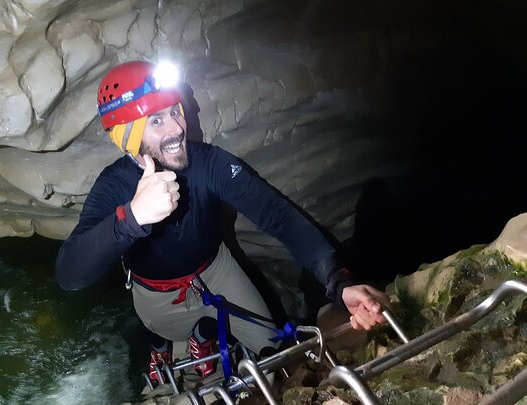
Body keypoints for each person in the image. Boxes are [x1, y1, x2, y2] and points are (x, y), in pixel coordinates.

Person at [56, 60, 387, 384]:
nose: (176, 128)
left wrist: (339, 281)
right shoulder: (113, 186)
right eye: (156, 121)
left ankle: (207, 334)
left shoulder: (208, 163)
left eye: (174, 111)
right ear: (127, 136)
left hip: (218, 270)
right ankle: (167, 346)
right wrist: (131, 218)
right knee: (167, 333)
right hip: (157, 294)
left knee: (276, 353)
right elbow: (70, 274)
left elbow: (278, 216)